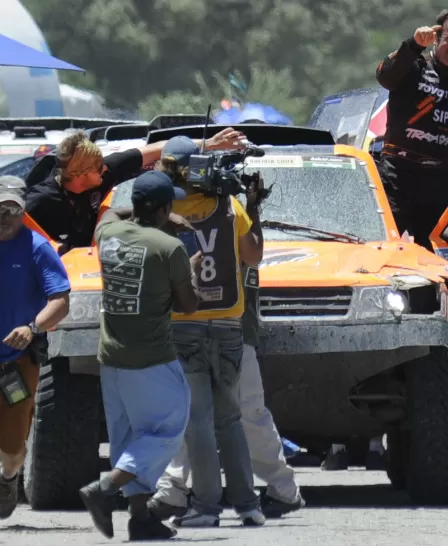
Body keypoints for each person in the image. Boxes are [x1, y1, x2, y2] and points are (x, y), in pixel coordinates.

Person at [147, 136, 266, 528]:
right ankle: (248, 504)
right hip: (229, 324)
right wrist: (254, 207)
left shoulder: (162, 210)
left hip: (184, 326)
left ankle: (207, 507)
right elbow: (253, 256)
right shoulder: (228, 206)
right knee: (229, 418)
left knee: (198, 420)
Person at [77, 171, 201, 541]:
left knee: (129, 437)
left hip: (112, 358)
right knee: (167, 430)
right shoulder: (169, 249)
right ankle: (105, 487)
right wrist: (189, 272)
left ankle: (140, 518)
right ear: (165, 208)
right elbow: (188, 305)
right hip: (151, 359)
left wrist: (148, 212)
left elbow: (109, 214)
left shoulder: (107, 235)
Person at [150, 263, 306, 520]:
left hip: (223, 330)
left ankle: (280, 489)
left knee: (237, 414)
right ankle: (175, 489)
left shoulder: (233, 223)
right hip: (208, 330)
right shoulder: (233, 224)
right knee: (200, 413)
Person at [375, 7, 448, 250]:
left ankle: (433, 290)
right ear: (436, 39)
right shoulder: (414, 66)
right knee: (384, 247)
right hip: (398, 175)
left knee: (439, 252)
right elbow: (385, 76)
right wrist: (414, 44)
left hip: (439, 182)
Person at [23, 128, 246, 253]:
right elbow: (12, 223)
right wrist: (49, 245)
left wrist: (209, 143)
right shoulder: (42, 198)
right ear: (81, 174)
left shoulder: (104, 173)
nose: (106, 169)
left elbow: (158, 149)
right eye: (99, 167)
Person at [0, 175, 70, 519]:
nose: (5, 215)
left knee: (12, 447)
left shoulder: (37, 247)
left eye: (12, 208)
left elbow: (61, 300)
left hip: (15, 365)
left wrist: (32, 328)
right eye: (0, 208)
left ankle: (9, 476)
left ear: (22, 211)